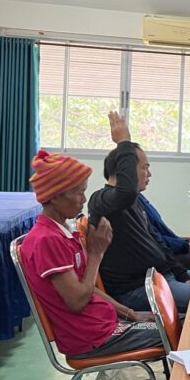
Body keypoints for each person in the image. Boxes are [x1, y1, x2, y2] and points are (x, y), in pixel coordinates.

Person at [21, 150, 163, 358]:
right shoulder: (46, 240)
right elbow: (78, 301)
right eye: (79, 193)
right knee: (178, 332)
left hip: (105, 326)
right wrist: (96, 254)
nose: (84, 199)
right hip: (93, 338)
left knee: (175, 322)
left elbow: (89, 289)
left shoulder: (62, 233)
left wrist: (130, 314)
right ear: (56, 197)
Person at [88, 112, 190, 312]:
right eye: (145, 168)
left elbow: (158, 243)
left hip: (162, 277)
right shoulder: (100, 200)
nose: (149, 174)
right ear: (124, 170)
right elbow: (126, 191)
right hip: (137, 289)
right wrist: (124, 143)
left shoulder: (135, 202)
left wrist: (184, 277)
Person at [137, 193, 190, 276]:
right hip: (162, 257)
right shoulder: (135, 204)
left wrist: (184, 243)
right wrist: (184, 245)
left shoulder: (140, 198)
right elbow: (155, 240)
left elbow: (162, 233)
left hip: (167, 250)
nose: (149, 179)